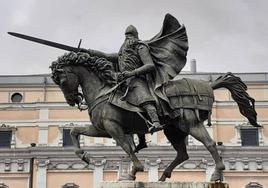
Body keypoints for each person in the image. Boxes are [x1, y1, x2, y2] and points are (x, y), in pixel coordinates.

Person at [84, 25, 163, 134]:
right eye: (126, 36)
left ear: (135, 36)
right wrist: (88, 52)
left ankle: (156, 122)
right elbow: (106, 55)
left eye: (130, 35)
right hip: (123, 83)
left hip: (138, 80)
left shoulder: (141, 47)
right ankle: (140, 138)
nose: (127, 38)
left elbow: (150, 65)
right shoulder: (123, 53)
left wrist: (132, 73)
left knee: (144, 98)